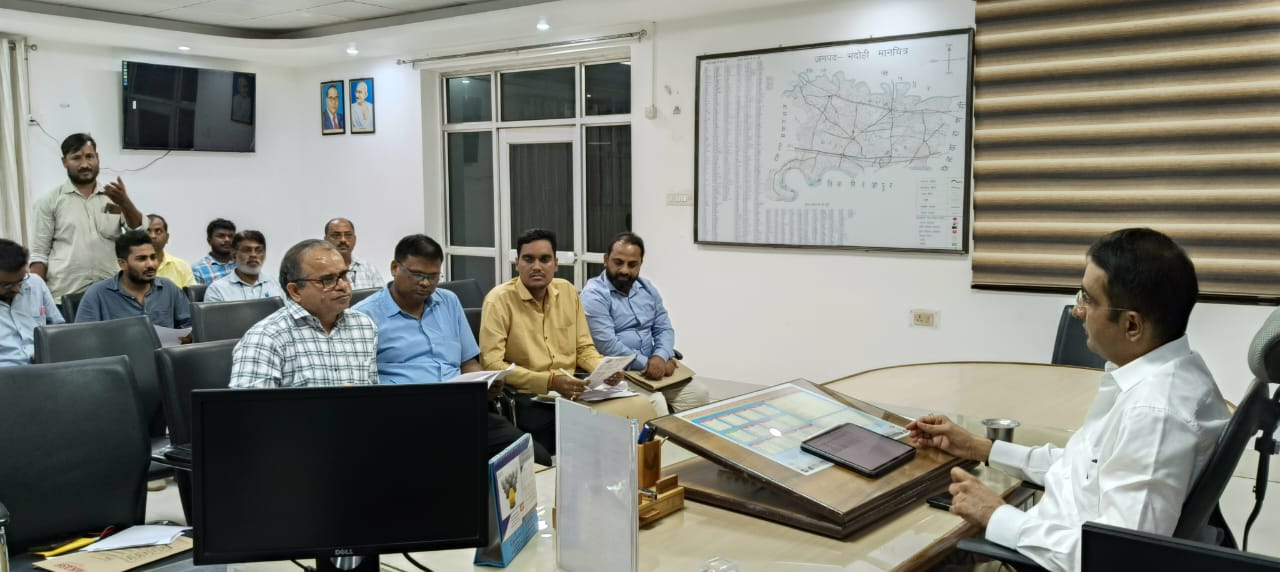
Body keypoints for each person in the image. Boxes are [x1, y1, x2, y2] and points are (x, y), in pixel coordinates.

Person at [906, 228, 1230, 572]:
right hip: (1050, 536)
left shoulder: (1155, 414)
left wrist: (997, 515)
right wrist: (980, 448)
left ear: (1132, 326)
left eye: (1088, 299)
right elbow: (1082, 468)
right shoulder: (1164, 373)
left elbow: (1119, 558)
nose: (1077, 310)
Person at [352, 234, 551, 465]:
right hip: (405, 419)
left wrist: (482, 383)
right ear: (395, 268)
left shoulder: (448, 301)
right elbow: (361, 388)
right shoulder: (364, 316)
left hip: (462, 411)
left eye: (433, 276)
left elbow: (468, 362)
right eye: (417, 275)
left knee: (536, 459)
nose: (425, 283)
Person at [479, 228, 655, 453]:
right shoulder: (498, 300)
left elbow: (584, 348)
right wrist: (550, 382)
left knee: (635, 411)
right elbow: (493, 365)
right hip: (528, 396)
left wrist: (603, 368)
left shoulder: (568, 292)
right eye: (528, 259)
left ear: (555, 264)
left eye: (544, 259)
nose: (536, 267)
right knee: (597, 434)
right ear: (517, 264)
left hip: (574, 390)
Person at [582, 231, 710, 413]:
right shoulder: (594, 295)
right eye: (618, 262)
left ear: (641, 264)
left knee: (699, 394)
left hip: (654, 367)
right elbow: (607, 345)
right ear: (606, 259)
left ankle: (679, 433)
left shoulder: (647, 288)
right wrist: (650, 364)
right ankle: (657, 434)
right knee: (655, 403)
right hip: (619, 372)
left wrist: (660, 357)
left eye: (632, 264)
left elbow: (664, 328)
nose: (625, 270)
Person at [230, 239, 377, 388]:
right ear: (295, 291)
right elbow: (251, 403)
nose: (343, 286)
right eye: (328, 280)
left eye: (344, 275)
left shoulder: (363, 325)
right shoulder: (265, 338)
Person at [29, 133, 145, 301]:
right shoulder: (49, 202)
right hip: (65, 296)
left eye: (89, 156)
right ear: (64, 162)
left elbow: (140, 234)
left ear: (97, 158)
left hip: (112, 294)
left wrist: (125, 203)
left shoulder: (115, 198)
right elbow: (39, 255)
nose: (84, 164)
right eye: (76, 158)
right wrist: (36, 299)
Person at [75, 230, 190, 328]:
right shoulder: (98, 293)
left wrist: (187, 336)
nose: (151, 264)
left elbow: (189, 325)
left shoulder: (168, 288)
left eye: (153, 257)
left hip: (164, 348)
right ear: (122, 264)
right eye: (141, 259)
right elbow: (84, 337)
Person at [0, 239, 64, 367]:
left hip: (45, 368)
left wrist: (51, 351)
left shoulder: (35, 283)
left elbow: (58, 328)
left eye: (21, 281)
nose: (17, 289)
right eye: (7, 285)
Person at [205, 230, 284, 302]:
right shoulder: (217, 290)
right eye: (247, 250)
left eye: (258, 250)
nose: (253, 255)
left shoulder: (278, 284)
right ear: (234, 255)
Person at [324, 218, 384, 289]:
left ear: (354, 239)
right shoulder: (319, 270)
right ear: (326, 240)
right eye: (336, 235)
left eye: (348, 235)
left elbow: (382, 295)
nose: (343, 240)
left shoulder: (369, 268)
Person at [146, 214, 195, 288]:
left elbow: (190, 294)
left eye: (158, 231)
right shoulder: (130, 267)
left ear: (167, 238)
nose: (153, 236)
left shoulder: (182, 266)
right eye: (147, 231)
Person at [192, 218, 237, 285]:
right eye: (221, 236)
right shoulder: (198, 269)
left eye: (231, 236)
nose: (227, 240)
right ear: (209, 241)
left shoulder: (242, 264)